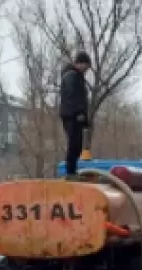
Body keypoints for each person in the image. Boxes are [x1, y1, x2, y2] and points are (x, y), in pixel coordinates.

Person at [59, 51, 91, 179]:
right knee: (74, 142)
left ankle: (73, 170)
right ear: (80, 63)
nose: (86, 70)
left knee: (77, 143)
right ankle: (70, 171)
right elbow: (73, 96)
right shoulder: (71, 76)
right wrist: (79, 112)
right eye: (86, 67)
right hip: (71, 114)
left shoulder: (77, 76)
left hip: (75, 113)